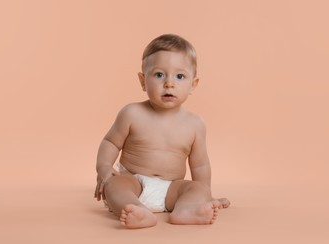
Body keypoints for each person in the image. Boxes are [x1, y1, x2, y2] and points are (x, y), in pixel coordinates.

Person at [94, 34, 230, 228]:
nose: (169, 83)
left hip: (171, 189)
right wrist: (104, 168)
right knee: (114, 185)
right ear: (143, 81)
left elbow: (200, 166)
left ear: (193, 85)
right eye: (159, 75)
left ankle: (187, 210)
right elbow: (110, 142)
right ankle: (134, 208)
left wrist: (205, 194)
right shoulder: (132, 113)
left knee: (196, 188)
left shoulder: (195, 124)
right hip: (134, 182)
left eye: (180, 76)